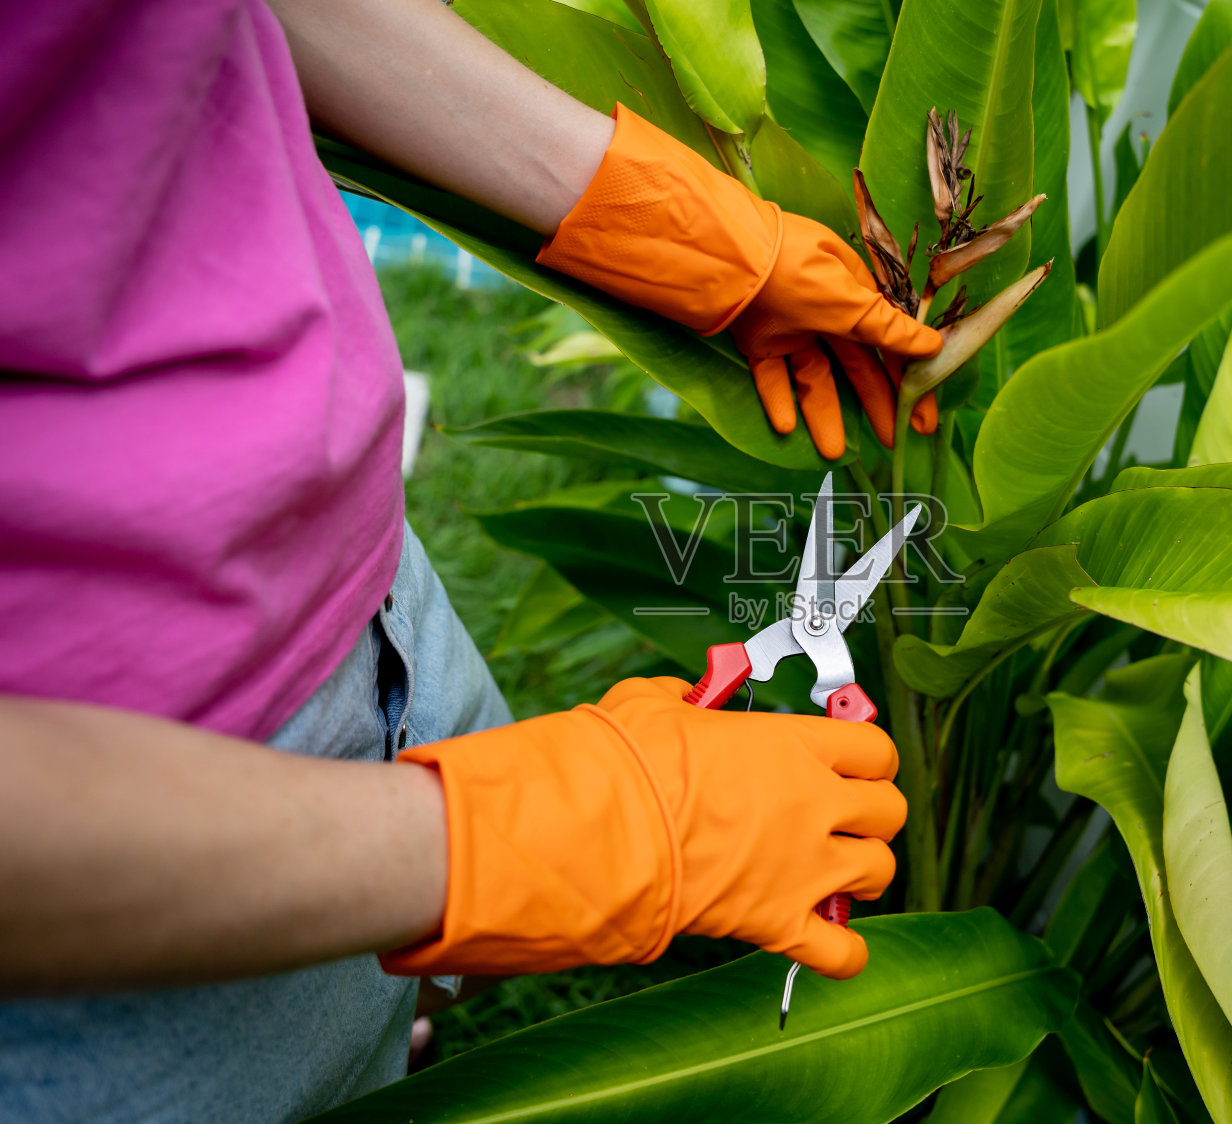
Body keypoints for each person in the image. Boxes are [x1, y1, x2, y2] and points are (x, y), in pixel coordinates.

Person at [0, 0, 941, 1119]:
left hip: (368, 586)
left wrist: (660, 221)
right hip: (102, 898)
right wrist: (534, 837)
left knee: (384, 1003)